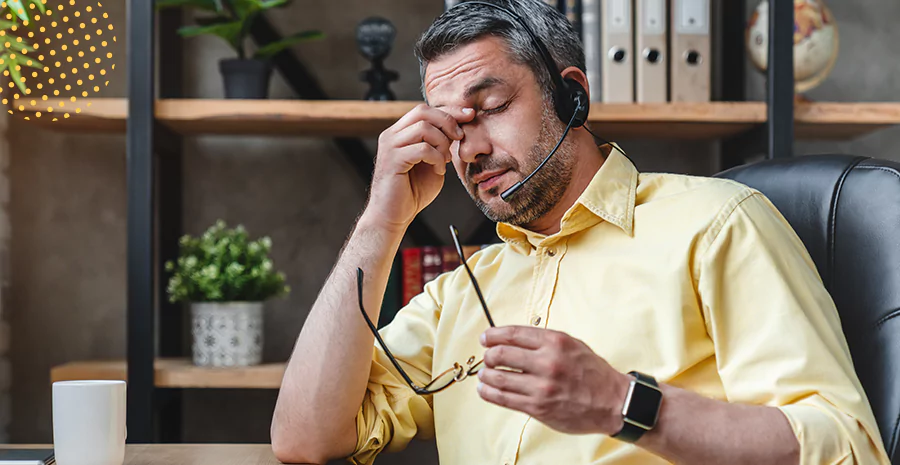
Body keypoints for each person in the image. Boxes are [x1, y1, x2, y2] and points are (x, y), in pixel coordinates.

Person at [270, 0, 889, 464]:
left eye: (490, 108)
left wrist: (625, 404)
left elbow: (847, 448)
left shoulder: (718, 224)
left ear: (572, 96)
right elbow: (304, 438)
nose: (472, 149)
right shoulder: (461, 291)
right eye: (453, 130)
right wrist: (380, 222)